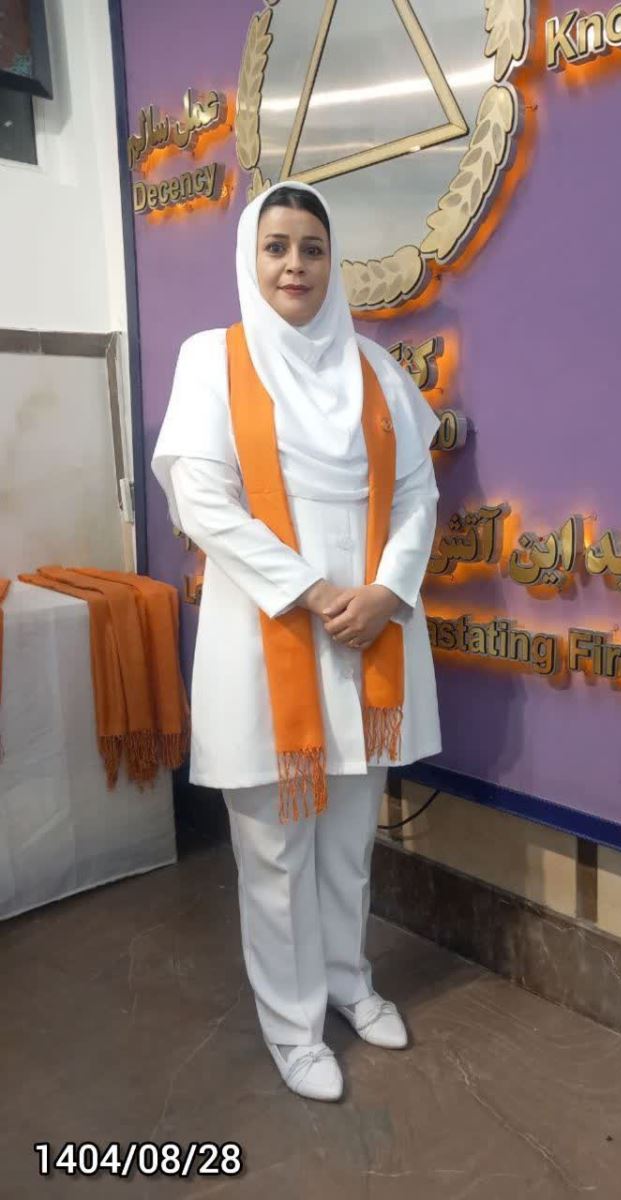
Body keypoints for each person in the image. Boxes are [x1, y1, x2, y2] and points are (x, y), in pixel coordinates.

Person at [151, 181, 441, 1102]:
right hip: (267, 636)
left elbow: (417, 494)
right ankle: (293, 1027)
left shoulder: (376, 368)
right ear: (251, 257)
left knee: (350, 841)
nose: (294, 265)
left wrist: (387, 590)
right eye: (276, 246)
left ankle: (349, 983)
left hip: (367, 637)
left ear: (332, 261)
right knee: (276, 855)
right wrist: (315, 592)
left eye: (312, 248)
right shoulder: (211, 359)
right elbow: (204, 502)